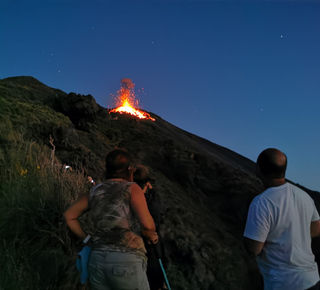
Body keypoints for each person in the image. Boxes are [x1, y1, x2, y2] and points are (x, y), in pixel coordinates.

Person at [64, 149, 158, 290]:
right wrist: (152, 236)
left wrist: (87, 239)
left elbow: (69, 216)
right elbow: (148, 226)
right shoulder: (132, 188)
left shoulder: (95, 191)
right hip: (127, 260)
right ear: (128, 169)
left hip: (97, 261)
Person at [244, 148, 320, 290]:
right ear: (284, 170)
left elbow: (254, 248)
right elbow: (317, 228)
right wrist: (295, 234)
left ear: (258, 169)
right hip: (312, 280)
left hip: (284, 283)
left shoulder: (262, 202)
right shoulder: (304, 196)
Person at [133, 165, 167, 290]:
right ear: (146, 184)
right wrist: (152, 190)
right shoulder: (151, 202)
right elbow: (158, 214)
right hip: (151, 248)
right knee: (154, 281)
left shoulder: (128, 198)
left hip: (130, 245)